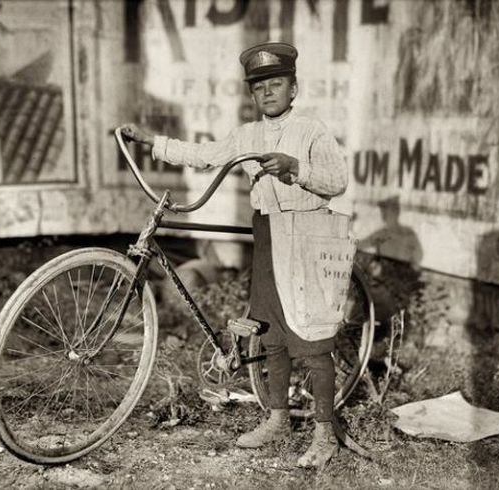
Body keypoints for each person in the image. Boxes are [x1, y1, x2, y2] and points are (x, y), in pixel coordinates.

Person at [121, 42, 348, 468]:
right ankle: (278, 418)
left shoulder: (312, 130)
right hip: (267, 237)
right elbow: (205, 156)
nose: (268, 93)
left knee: (314, 342)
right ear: (252, 94)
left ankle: (324, 432)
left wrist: (296, 168)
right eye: (259, 87)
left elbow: (337, 182)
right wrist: (152, 141)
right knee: (271, 335)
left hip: (308, 236)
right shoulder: (247, 135)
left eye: (276, 84)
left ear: (293, 88)